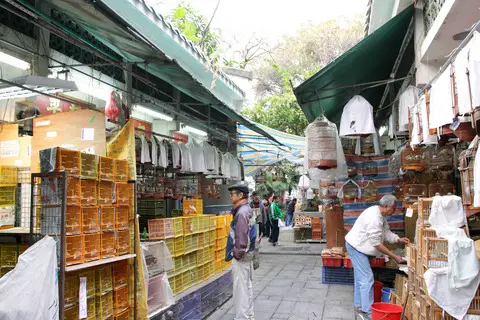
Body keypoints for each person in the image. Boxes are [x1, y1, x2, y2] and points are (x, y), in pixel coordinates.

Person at [345, 195, 409, 318]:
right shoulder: (374, 217)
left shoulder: (380, 215)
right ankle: (367, 311)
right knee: (367, 279)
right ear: (386, 206)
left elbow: (385, 232)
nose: (394, 211)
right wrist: (394, 256)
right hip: (356, 248)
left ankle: (359, 305)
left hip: (359, 248)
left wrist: (398, 239)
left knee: (361, 279)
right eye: (393, 208)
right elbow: (376, 244)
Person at [225, 183, 256, 320]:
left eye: (233, 193)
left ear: (241, 195)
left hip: (242, 256)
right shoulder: (246, 209)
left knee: (240, 289)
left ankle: (242, 317)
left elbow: (242, 237)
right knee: (246, 287)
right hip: (248, 254)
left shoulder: (242, 212)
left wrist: (237, 254)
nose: (230, 196)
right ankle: (249, 315)